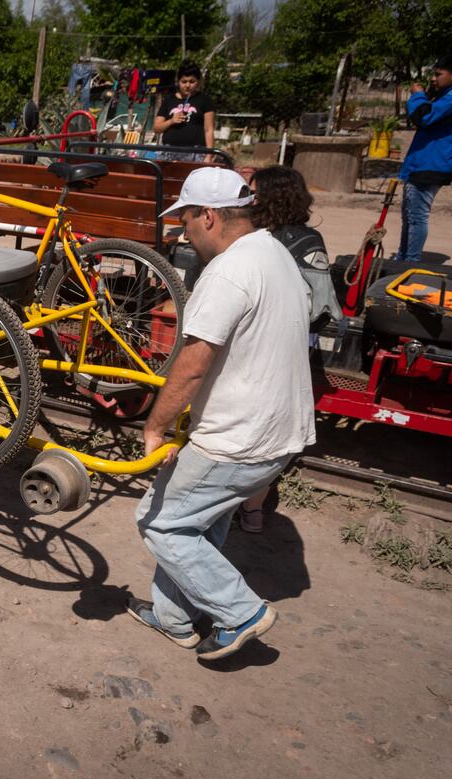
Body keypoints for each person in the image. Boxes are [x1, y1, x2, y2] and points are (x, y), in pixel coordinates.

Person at [129, 167, 315, 661]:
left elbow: (192, 364)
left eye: (186, 220)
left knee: (159, 522)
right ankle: (175, 620)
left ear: (208, 215)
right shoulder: (275, 253)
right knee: (197, 523)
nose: (182, 231)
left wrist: (155, 426)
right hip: (280, 433)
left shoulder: (228, 270)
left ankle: (242, 613)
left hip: (239, 438)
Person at [236, 165, 342, 533]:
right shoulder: (309, 242)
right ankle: (252, 510)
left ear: (267, 197)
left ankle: (233, 507)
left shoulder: (248, 236)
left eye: (252, 191)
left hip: (250, 351)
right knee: (266, 435)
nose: (247, 197)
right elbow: (321, 311)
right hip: (285, 352)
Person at [394, 54, 452, 263]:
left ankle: (410, 261)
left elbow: (423, 117)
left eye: (438, 74)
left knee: (417, 217)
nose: (434, 79)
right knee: (409, 217)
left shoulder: (450, 98)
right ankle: (403, 258)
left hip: (430, 166)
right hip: (422, 164)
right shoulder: (443, 96)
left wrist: (418, 95)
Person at [152, 61, 215, 161]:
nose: (187, 85)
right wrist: (171, 121)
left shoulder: (205, 100)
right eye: (184, 82)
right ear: (178, 81)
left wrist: (209, 156)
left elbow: (209, 130)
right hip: (169, 152)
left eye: (192, 81)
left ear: (198, 82)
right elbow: (156, 128)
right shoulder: (169, 100)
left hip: (196, 153)